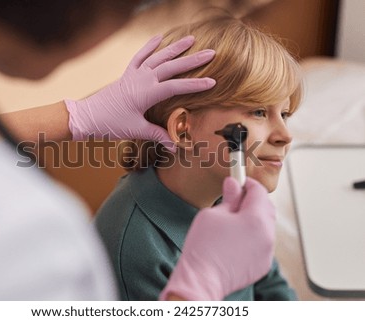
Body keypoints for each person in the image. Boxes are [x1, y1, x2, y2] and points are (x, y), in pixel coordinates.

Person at [0, 0, 277, 300]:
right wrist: (200, 286)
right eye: (259, 111)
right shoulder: (29, 242)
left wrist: (79, 116)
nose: (284, 134)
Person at [95, 14, 303, 300]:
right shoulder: (135, 250)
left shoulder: (227, 187)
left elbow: (270, 285)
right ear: (183, 129)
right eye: (258, 112)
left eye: (285, 114)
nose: (285, 135)